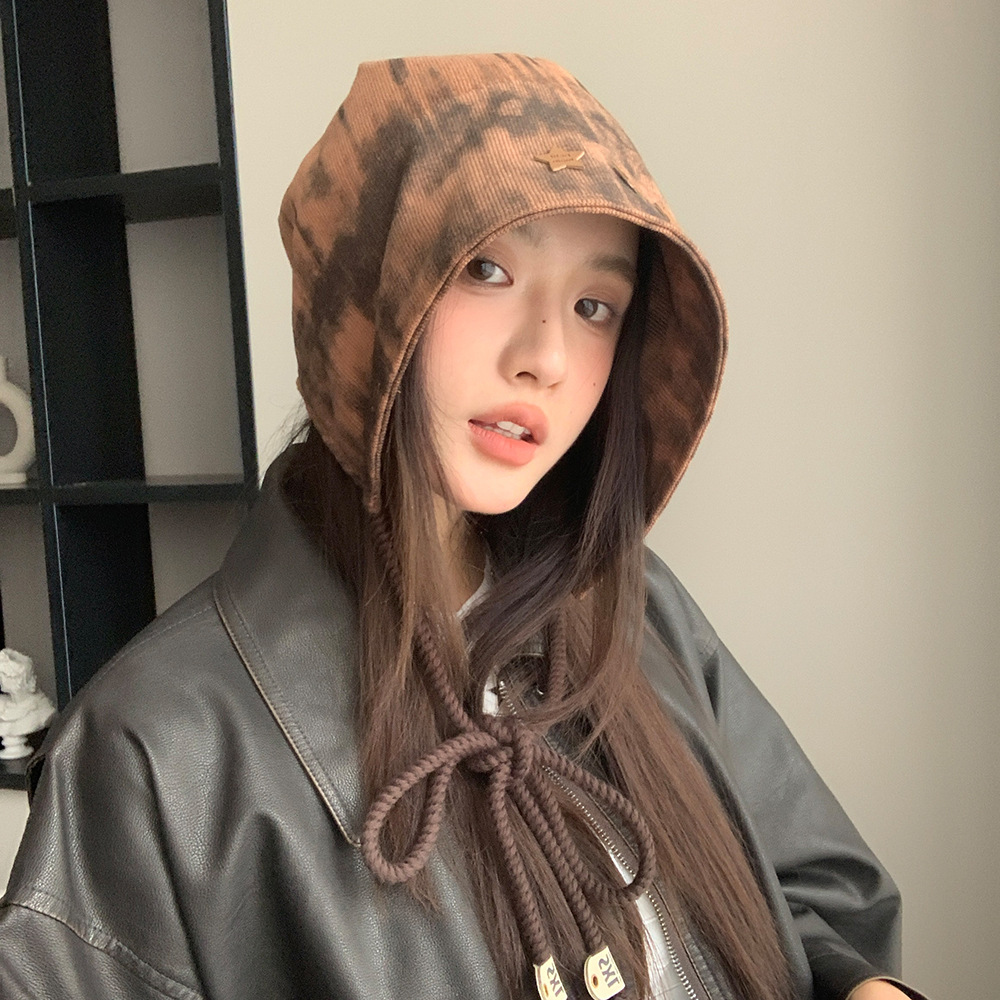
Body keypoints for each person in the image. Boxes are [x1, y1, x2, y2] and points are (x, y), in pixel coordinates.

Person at [0, 54, 926, 1000]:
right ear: (362, 293)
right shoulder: (157, 746)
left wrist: (862, 986)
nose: (547, 357)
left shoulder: (639, 610)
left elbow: (817, 891)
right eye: (487, 270)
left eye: (594, 306)